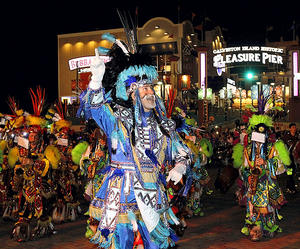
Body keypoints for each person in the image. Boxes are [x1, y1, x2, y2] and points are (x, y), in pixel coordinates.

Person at [77, 31, 191, 249]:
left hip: (153, 191)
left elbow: (181, 151)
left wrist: (180, 166)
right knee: (122, 241)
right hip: (122, 189)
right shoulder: (117, 120)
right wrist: (96, 78)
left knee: (155, 242)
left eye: (151, 88)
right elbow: (95, 108)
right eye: (144, 88)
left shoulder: (164, 125)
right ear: (131, 91)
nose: (150, 93)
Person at [282, 123, 299, 194]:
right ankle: (291, 188)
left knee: (293, 172)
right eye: (293, 127)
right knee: (289, 173)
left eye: (295, 127)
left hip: (294, 157)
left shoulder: (297, 136)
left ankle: (289, 187)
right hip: (288, 158)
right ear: (290, 128)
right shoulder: (286, 137)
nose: (294, 128)